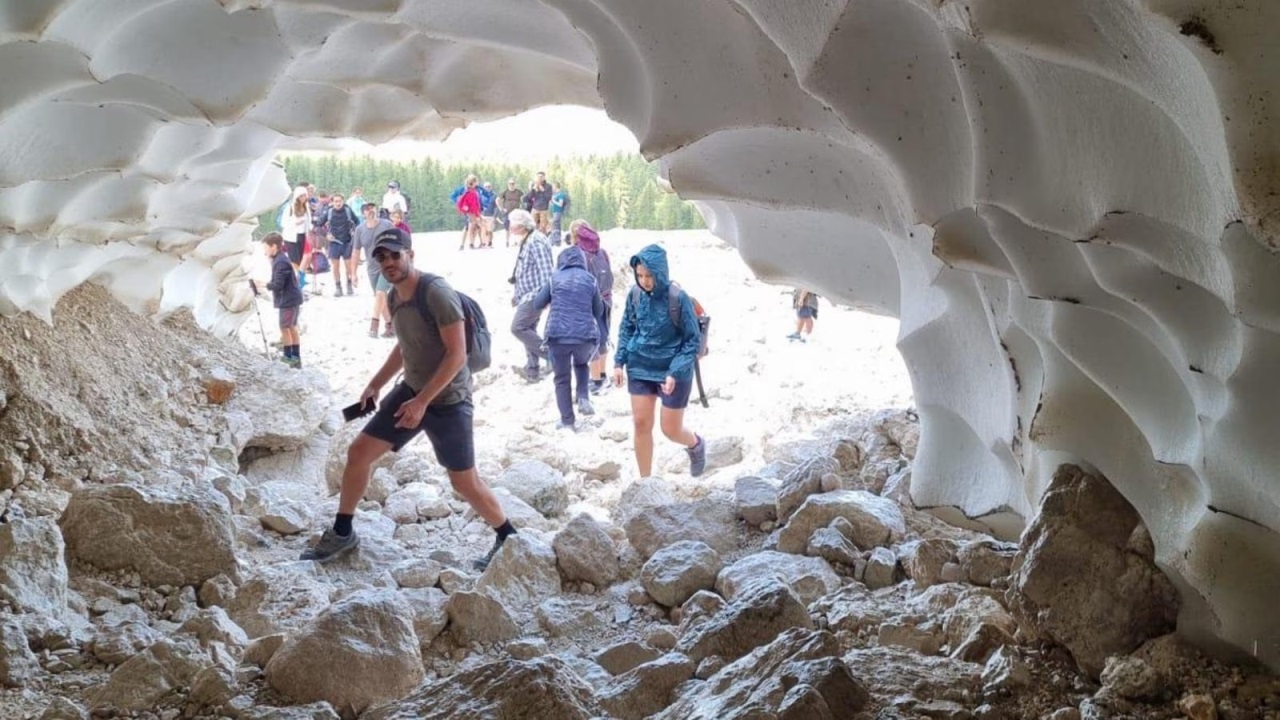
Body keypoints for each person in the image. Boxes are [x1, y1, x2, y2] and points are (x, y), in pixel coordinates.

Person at [300, 227, 516, 570]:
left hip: (449, 400)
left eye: (394, 255)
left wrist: (423, 402)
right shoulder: (394, 296)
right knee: (359, 453)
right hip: (412, 391)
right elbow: (404, 346)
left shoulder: (437, 293)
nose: (388, 262)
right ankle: (343, 532)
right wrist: (376, 384)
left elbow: (457, 354)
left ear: (410, 254)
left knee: (464, 481)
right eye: (381, 257)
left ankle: (508, 538)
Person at [613, 244, 707, 478]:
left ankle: (695, 444)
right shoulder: (634, 295)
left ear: (660, 273)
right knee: (641, 424)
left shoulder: (678, 298)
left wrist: (674, 371)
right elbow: (627, 328)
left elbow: (692, 341)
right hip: (640, 366)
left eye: (649, 276)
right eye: (640, 275)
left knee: (670, 429)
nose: (644, 281)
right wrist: (618, 362)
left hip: (674, 369)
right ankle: (645, 481)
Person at [530, 247, 603, 430]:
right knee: (581, 365)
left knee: (561, 378)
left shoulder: (554, 279)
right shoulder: (590, 280)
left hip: (558, 336)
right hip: (585, 336)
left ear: (561, 261)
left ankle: (567, 421)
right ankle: (583, 396)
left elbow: (538, 303)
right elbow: (599, 311)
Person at [507, 209, 554, 382]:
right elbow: (525, 271)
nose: (510, 227)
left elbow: (547, 272)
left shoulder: (536, 241)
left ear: (521, 225)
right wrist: (517, 294)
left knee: (518, 328)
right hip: (527, 294)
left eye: (513, 224)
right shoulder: (528, 239)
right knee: (529, 329)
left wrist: (546, 296)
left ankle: (551, 356)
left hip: (535, 295)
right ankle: (532, 370)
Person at [570, 220, 614, 394]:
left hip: (590, 302)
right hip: (607, 298)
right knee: (604, 336)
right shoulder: (602, 252)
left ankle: (595, 380)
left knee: (591, 340)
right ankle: (602, 374)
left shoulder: (577, 253)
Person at [261, 233, 303, 368]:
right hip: (293, 298)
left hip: (288, 300)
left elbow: (278, 285)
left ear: (274, 247)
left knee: (285, 327)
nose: (265, 251)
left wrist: (262, 285)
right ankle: (295, 357)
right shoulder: (280, 259)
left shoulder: (280, 262)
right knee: (291, 327)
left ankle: (289, 357)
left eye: (266, 248)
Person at [354, 203, 395, 338]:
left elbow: (397, 241)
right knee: (379, 297)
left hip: (387, 265)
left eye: (372, 208)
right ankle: (390, 325)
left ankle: (374, 324)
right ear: (363, 213)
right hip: (371, 267)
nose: (370, 211)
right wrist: (353, 273)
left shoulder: (387, 225)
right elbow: (356, 251)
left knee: (380, 292)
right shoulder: (360, 230)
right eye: (367, 209)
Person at [325, 193, 359, 297]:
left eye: (340, 201)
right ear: (332, 202)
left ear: (343, 201)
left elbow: (357, 222)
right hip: (334, 243)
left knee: (348, 266)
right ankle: (338, 287)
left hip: (347, 242)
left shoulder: (348, 211)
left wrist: (355, 234)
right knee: (335, 266)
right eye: (336, 201)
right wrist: (326, 235)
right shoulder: (329, 212)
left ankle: (349, 285)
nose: (338, 203)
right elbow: (318, 225)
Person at [281, 186, 311, 282]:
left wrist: (310, 228)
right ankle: (299, 277)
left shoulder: (306, 206)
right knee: (294, 259)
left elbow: (309, 220)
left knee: (302, 258)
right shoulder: (290, 207)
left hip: (303, 235)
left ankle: (299, 277)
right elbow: (283, 222)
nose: (303, 198)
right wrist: (295, 222)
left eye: (304, 195)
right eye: (301, 196)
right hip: (291, 236)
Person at [455, 175, 482, 250]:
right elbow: (473, 205)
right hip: (471, 213)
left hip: (470, 213)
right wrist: (476, 213)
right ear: (473, 182)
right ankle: (470, 244)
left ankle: (466, 244)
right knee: (470, 227)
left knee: (473, 227)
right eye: (476, 182)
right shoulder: (471, 192)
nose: (477, 183)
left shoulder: (470, 191)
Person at [499, 178, 524, 247]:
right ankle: (507, 241)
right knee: (507, 227)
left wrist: (522, 207)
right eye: (510, 184)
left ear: (515, 184)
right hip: (507, 212)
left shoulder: (519, 192)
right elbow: (498, 200)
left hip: (516, 212)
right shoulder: (505, 192)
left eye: (513, 184)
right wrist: (501, 208)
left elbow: (523, 199)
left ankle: (516, 241)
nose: (511, 185)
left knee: (516, 226)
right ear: (508, 184)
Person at [479, 181, 498, 248]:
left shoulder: (494, 195)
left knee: (490, 230)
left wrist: (495, 216)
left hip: (491, 215)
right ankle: (483, 243)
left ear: (491, 187)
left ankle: (490, 243)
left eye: (489, 186)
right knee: (483, 230)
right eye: (486, 187)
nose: (487, 188)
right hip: (482, 215)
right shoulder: (481, 195)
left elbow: (496, 206)